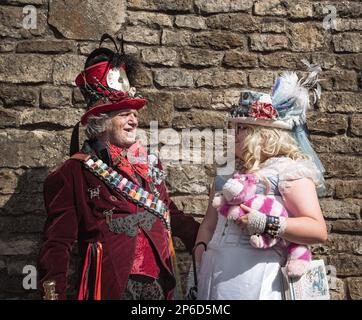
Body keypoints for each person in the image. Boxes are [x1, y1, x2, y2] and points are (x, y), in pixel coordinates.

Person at [37, 34, 199, 300]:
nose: (134, 120)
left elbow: (167, 212)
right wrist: (53, 294)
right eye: (124, 114)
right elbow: (58, 243)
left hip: (160, 284)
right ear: (101, 122)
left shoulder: (149, 164)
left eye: (135, 114)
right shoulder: (74, 172)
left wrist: (203, 238)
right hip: (110, 286)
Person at [192, 68, 328, 300]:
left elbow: (317, 230)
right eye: (233, 126)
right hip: (212, 276)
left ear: (264, 134)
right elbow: (208, 223)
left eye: (242, 127)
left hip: (260, 278)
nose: (233, 133)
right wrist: (200, 251)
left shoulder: (289, 170)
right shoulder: (227, 171)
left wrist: (265, 223)